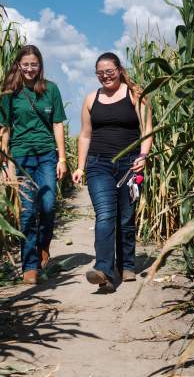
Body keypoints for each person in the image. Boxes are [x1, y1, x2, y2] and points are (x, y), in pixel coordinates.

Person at [72, 52, 153, 292]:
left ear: (119, 69)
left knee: (126, 218)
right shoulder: (90, 99)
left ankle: (127, 265)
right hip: (99, 164)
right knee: (105, 214)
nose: (105, 76)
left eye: (109, 71)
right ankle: (104, 271)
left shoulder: (135, 95)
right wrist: (80, 165)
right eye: (100, 73)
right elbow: (85, 135)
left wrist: (143, 156)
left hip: (129, 163)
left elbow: (147, 129)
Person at [0, 45, 68, 285]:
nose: (29, 69)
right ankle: (29, 265)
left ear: (40, 66)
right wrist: (5, 160)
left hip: (47, 154)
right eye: (25, 64)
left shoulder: (51, 90)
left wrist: (62, 158)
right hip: (21, 156)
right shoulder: (10, 92)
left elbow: (58, 123)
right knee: (27, 211)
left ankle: (43, 246)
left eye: (34, 64)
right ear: (18, 65)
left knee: (47, 206)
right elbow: (4, 127)